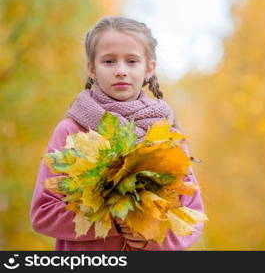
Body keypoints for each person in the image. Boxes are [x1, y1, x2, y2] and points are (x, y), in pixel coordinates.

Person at [30, 16, 205, 251]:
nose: (121, 71)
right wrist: (114, 221)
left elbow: (191, 215)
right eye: (109, 61)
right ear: (92, 68)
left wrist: (152, 236)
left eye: (132, 61)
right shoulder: (71, 131)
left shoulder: (167, 134)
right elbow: (43, 212)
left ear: (149, 68)